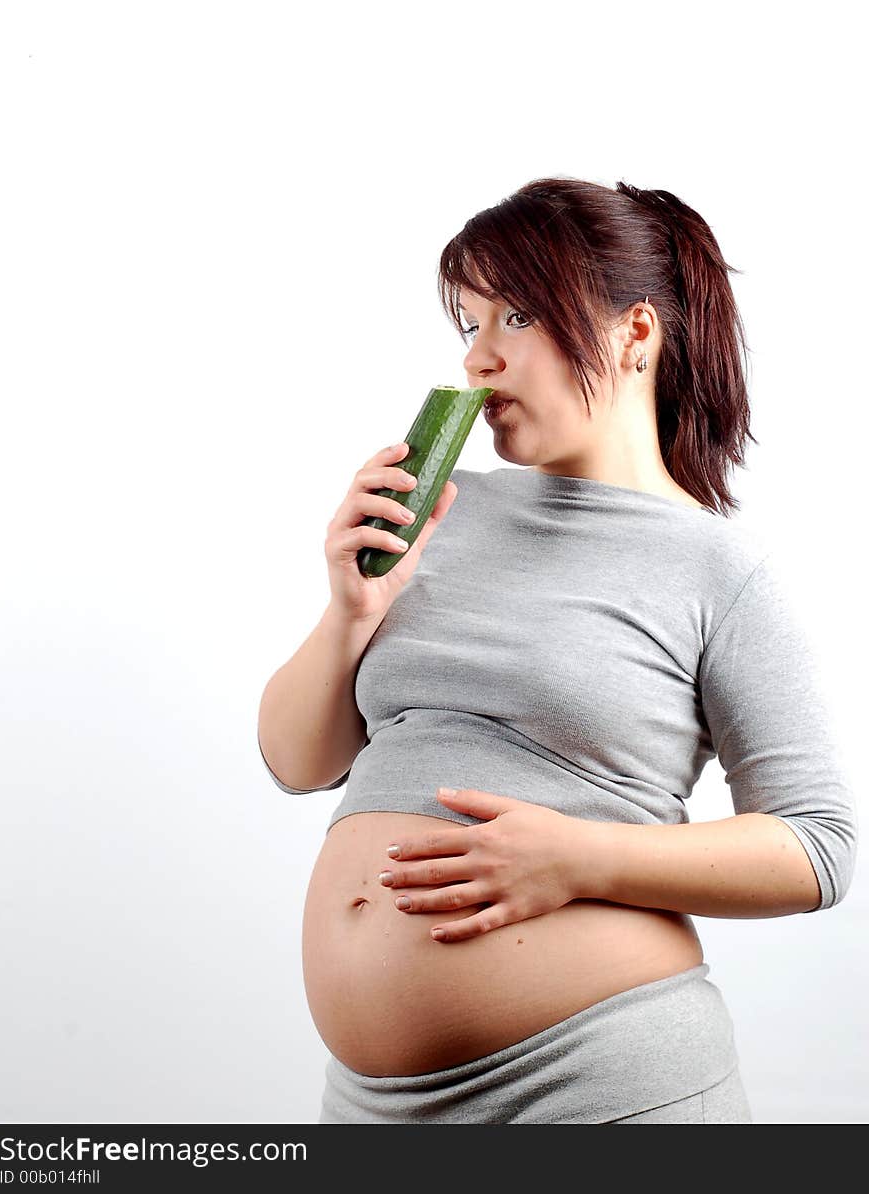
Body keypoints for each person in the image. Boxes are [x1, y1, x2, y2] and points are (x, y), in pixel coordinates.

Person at [257, 177, 858, 1124]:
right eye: (468, 322)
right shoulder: (442, 513)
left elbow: (819, 849)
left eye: (519, 315)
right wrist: (347, 611)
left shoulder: (720, 570)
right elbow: (299, 765)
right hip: (372, 1108)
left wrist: (582, 859)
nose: (478, 359)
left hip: (599, 1084)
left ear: (635, 334)